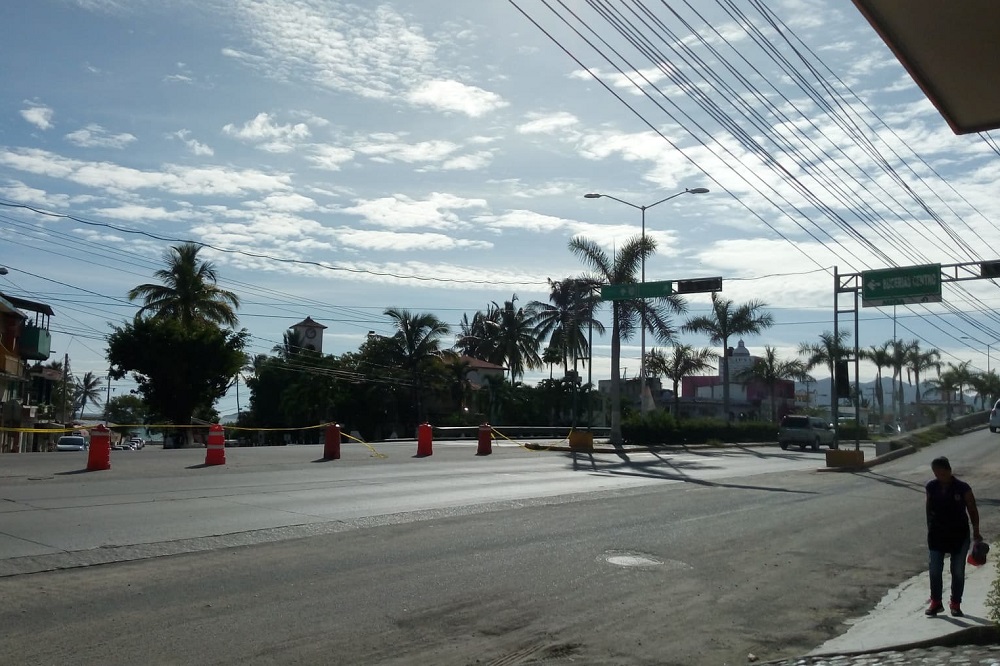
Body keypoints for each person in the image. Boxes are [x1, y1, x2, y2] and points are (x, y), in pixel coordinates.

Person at [924, 456, 982, 617]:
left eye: (942, 473)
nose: (939, 476)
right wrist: (930, 526)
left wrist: (976, 531)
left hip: (959, 535)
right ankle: (936, 602)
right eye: (936, 473)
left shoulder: (963, 488)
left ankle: (955, 603)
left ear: (949, 470)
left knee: (957, 571)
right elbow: (928, 508)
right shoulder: (931, 486)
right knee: (935, 570)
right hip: (937, 535)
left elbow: (972, 509)